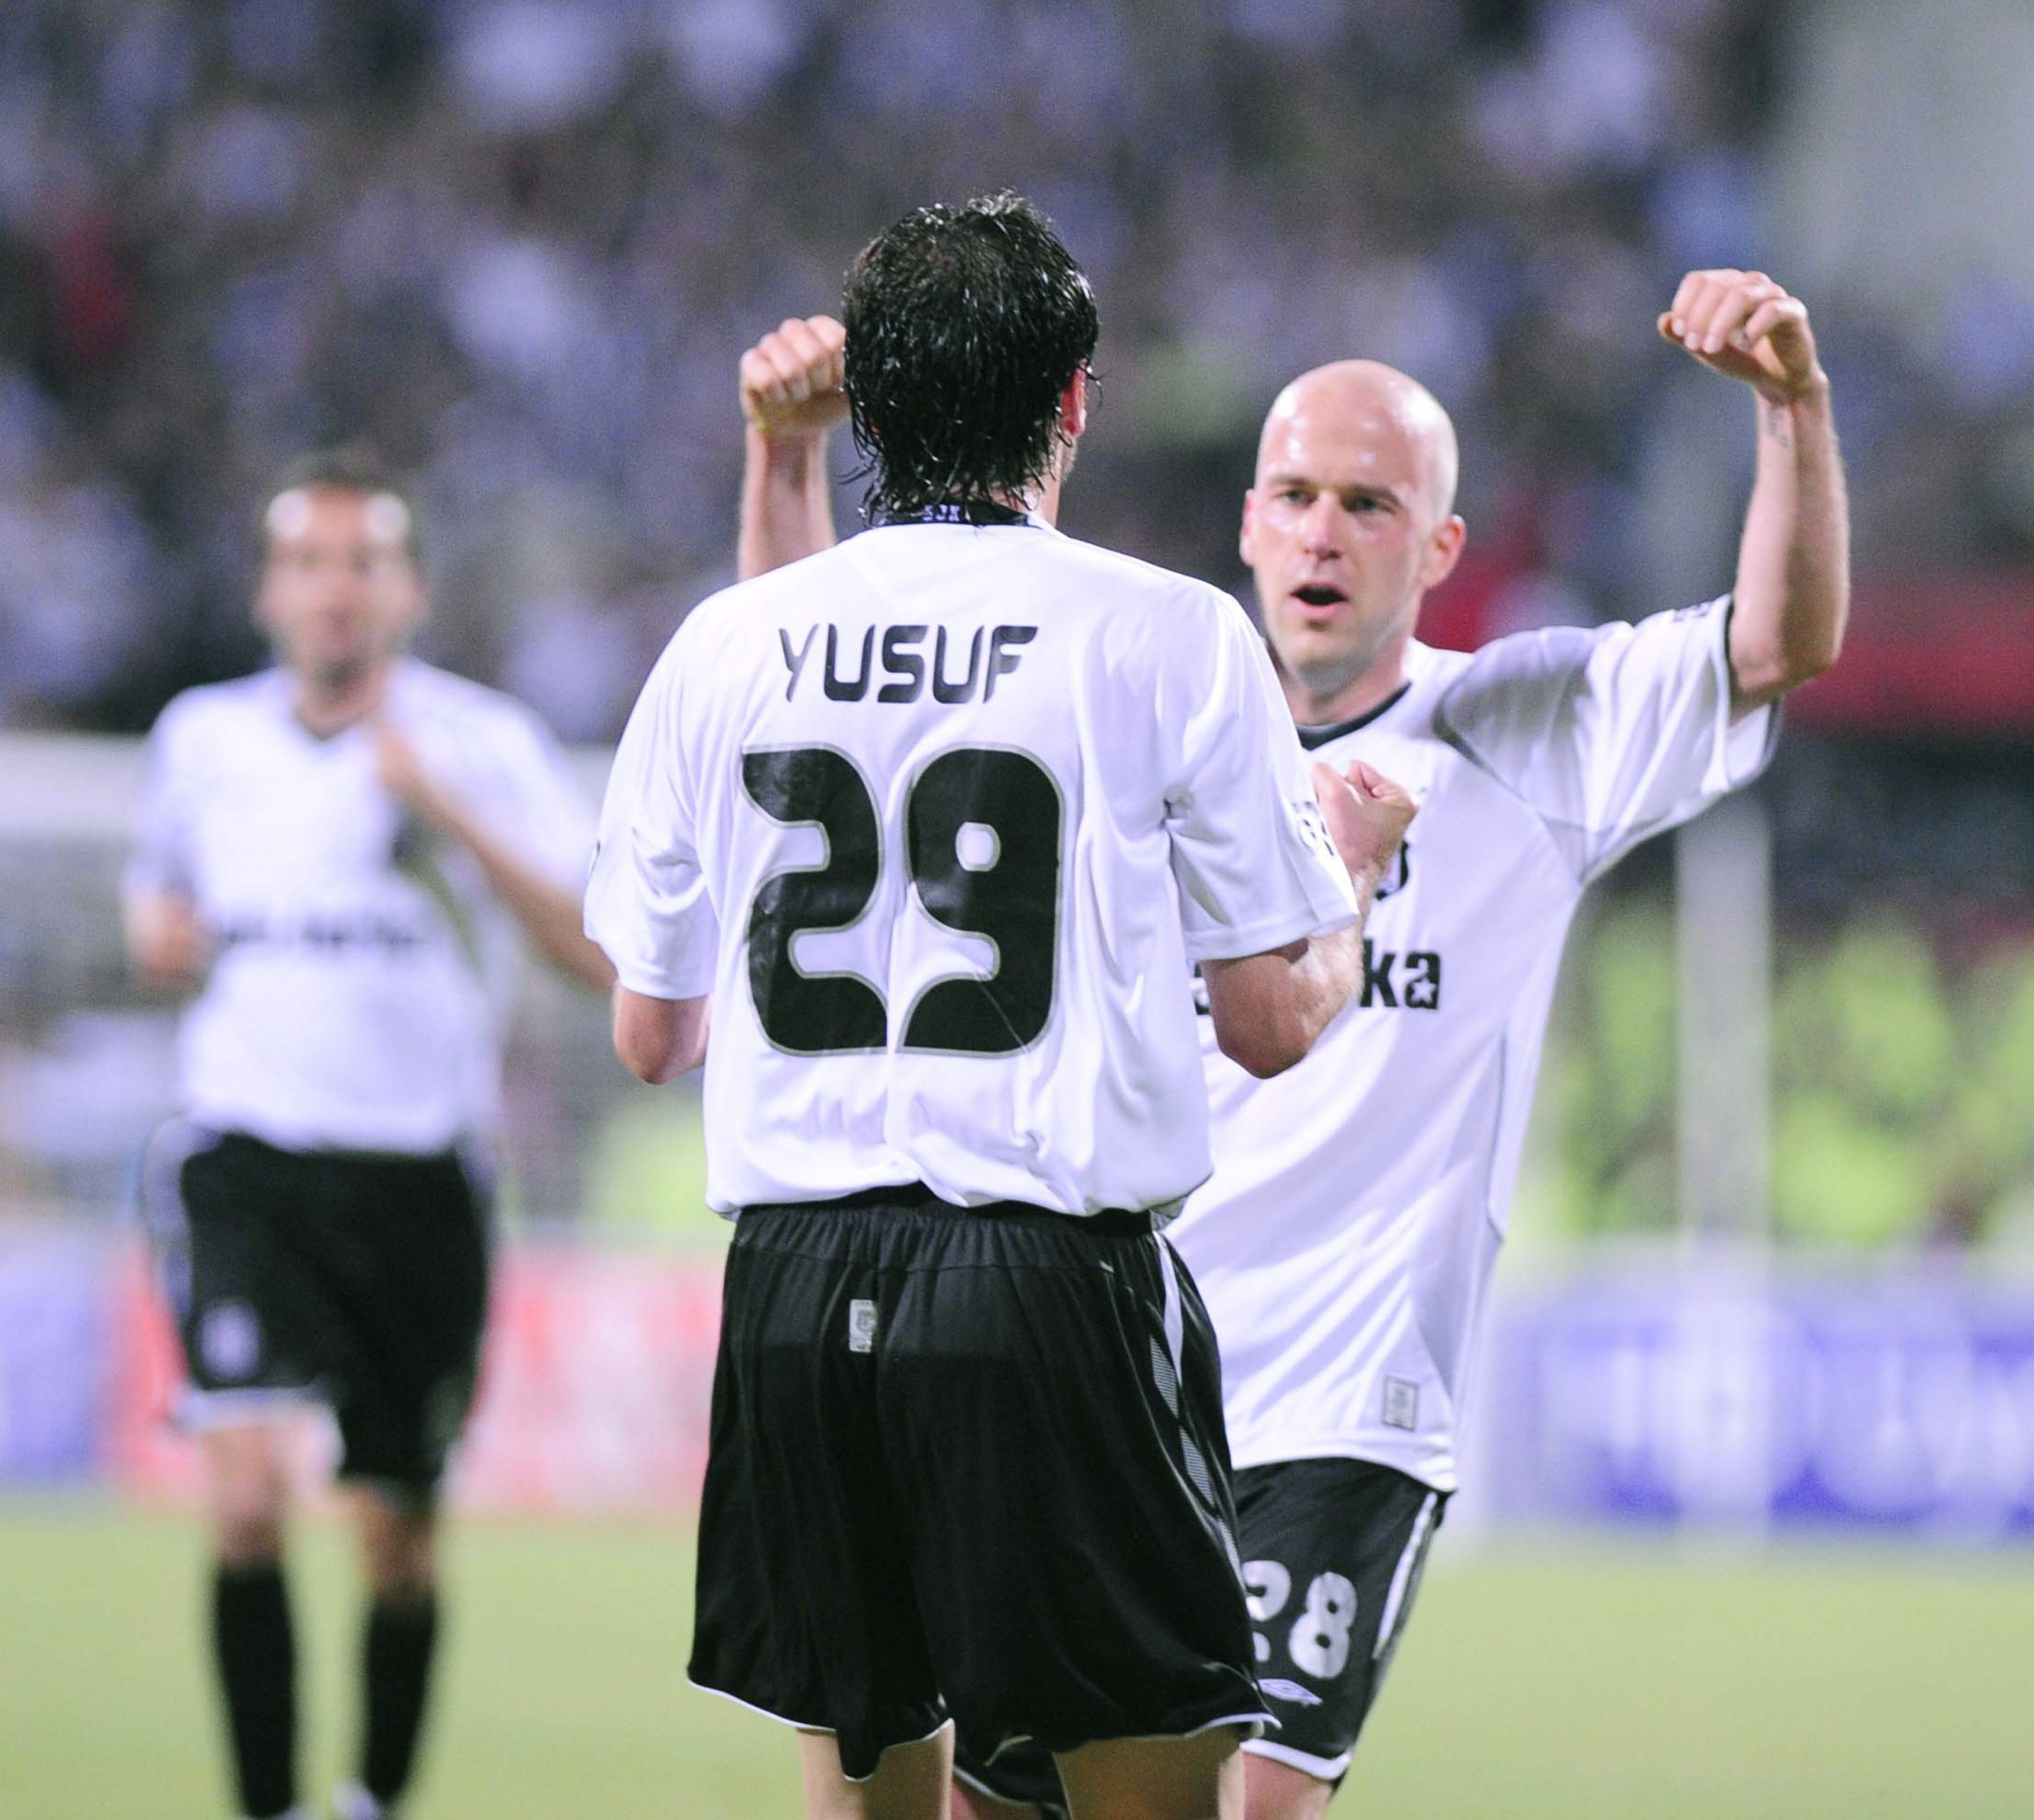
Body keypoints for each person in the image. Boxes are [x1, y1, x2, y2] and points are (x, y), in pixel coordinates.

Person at [733, 265, 1849, 1820]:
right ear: (1248, 520)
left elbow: (1774, 647)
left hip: (1338, 1410)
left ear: (1440, 547)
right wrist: (786, 462)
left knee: (1247, 1803)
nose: (1323, 531)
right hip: (1096, 1372)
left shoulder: (1515, 732)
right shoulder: (1146, 710)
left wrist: (1789, 409)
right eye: (1296, 495)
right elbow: (829, 706)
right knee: (1000, 1806)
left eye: (1370, 505)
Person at [583, 192, 1417, 1820]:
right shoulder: (1169, 634)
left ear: (865, 413)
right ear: (1074, 402)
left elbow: (648, 1035)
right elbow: (1267, 1022)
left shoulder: (724, 643)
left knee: (873, 1801)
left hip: (795, 1295)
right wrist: (1359, 881)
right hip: (1048, 1283)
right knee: (1147, 1794)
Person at [126, 447, 613, 1820]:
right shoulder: (201, 740)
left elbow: (597, 952)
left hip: (416, 1175)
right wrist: (151, 936)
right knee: (241, 1499)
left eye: (362, 563)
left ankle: (371, 1799)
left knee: (399, 1537)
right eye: (307, 563)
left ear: (408, 589)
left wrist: (446, 810)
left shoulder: (484, 744)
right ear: (269, 591)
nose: (334, 591)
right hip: (248, 1161)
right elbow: (154, 900)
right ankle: (269, 1803)